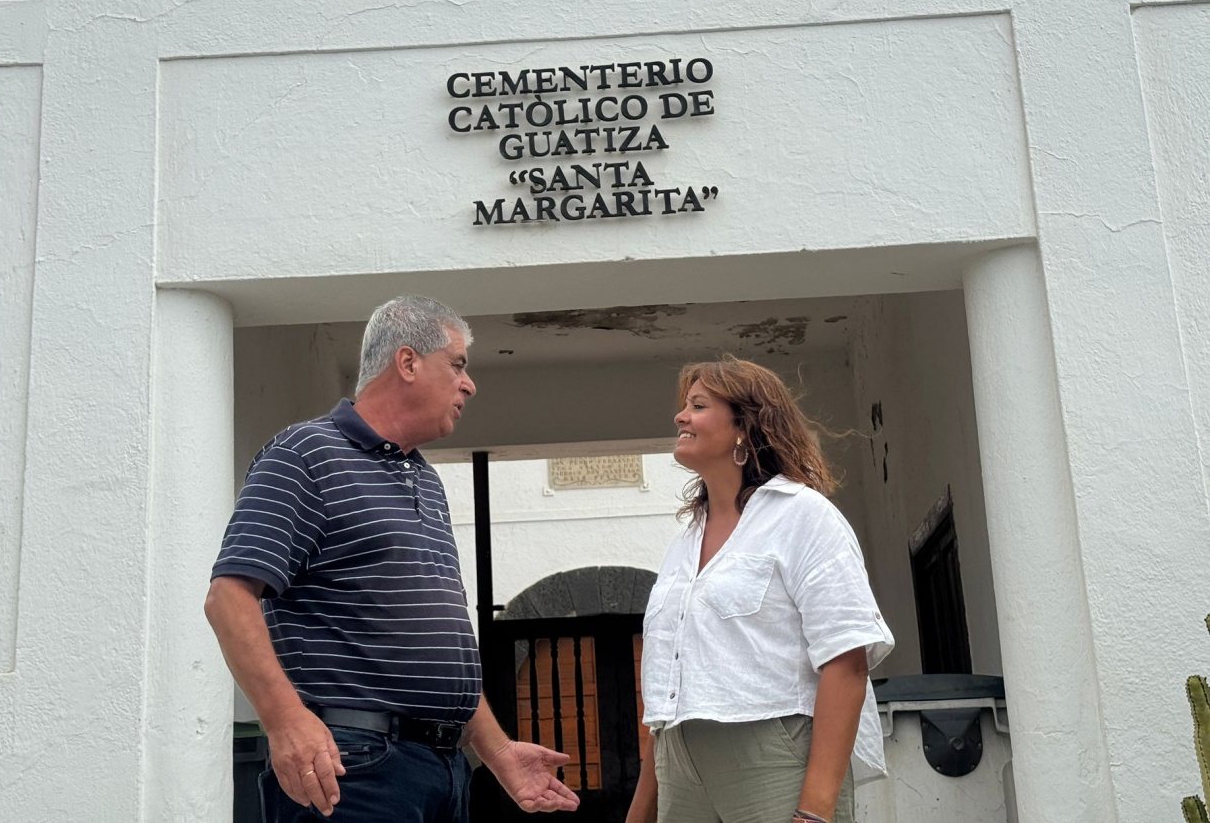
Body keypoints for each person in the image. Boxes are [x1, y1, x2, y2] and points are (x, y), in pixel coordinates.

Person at [205, 295, 580, 822]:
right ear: (407, 362)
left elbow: (432, 639)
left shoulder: (425, 478)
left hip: (440, 772)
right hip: (351, 769)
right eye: (457, 365)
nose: (469, 384)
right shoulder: (304, 455)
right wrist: (285, 720)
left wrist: (497, 752)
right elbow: (228, 599)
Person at [626, 357, 894, 823]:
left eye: (698, 406)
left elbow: (846, 661)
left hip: (771, 757)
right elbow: (666, 693)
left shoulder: (803, 516)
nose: (680, 416)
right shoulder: (684, 544)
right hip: (677, 765)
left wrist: (814, 813)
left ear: (744, 428)